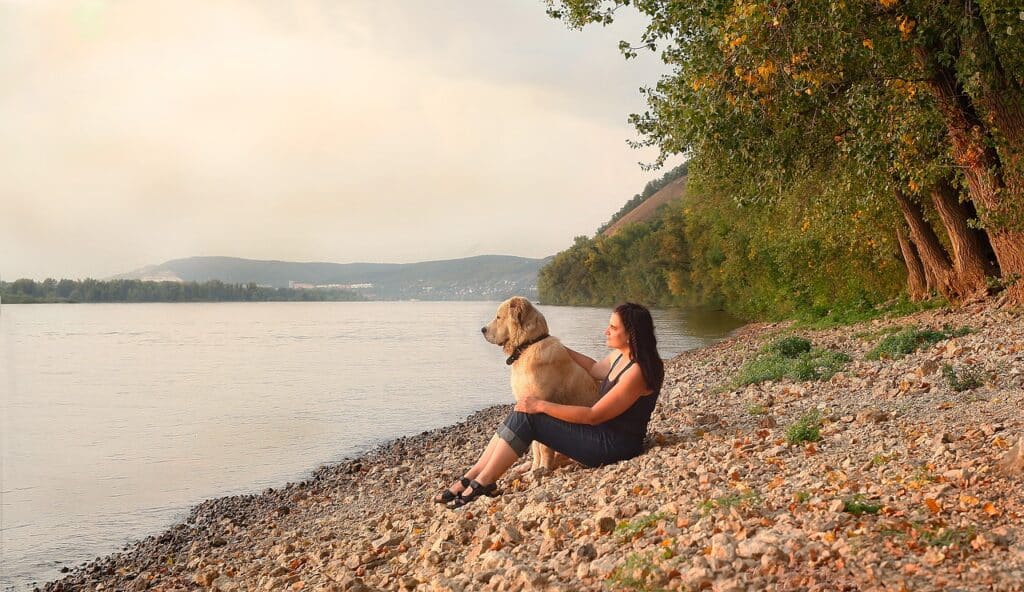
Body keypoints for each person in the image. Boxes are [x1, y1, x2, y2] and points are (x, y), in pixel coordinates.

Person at [433, 302, 665, 508]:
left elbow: (594, 415)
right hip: (602, 436)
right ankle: (473, 475)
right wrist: (549, 343)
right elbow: (594, 369)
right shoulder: (621, 356)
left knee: (530, 414)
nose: (606, 331)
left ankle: (483, 482)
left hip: (612, 446)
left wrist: (541, 406)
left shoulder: (638, 371)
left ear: (631, 335)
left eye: (613, 328)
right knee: (523, 409)